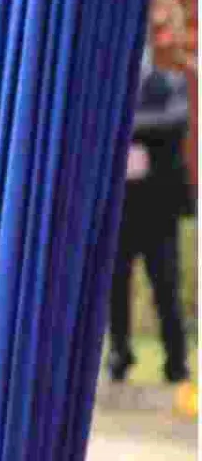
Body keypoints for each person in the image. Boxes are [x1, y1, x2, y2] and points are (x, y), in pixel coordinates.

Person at [108, 53, 192, 383]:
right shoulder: (111, 87)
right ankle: (119, 356)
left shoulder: (170, 85)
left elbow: (175, 120)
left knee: (166, 288)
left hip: (159, 212)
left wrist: (125, 127)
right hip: (120, 212)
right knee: (115, 290)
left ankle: (176, 362)